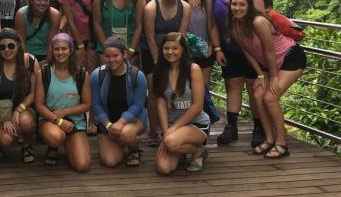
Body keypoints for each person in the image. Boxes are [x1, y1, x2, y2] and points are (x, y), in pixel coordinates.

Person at [229, 0, 306, 159]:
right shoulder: (234, 24)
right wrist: (260, 75)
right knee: (257, 95)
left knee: (270, 98)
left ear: (249, 6)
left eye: (242, 5)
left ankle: (281, 143)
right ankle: (269, 138)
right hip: (268, 65)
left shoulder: (258, 22)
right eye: (234, 4)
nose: (237, 8)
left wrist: (272, 77)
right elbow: (247, 50)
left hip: (290, 58)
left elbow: (269, 50)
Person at [207, 0, 266, 148]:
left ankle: (259, 126)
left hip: (251, 48)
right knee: (232, 85)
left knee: (252, 86)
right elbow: (212, 24)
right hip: (228, 49)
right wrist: (217, 48)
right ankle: (231, 126)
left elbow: (261, 19)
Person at [142, 0, 191, 146]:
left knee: (176, 91)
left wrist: (175, 59)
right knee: (155, 92)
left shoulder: (184, 6)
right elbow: (149, 36)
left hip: (175, 52)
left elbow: (182, 35)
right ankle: (153, 130)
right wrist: (158, 62)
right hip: (153, 52)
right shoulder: (151, 7)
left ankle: (171, 128)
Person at [151, 32, 210, 175]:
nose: (170, 52)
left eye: (175, 48)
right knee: (163, 168)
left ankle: (198, 151)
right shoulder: (160, 70)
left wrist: (171, 132)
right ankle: (180, 148)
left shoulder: (193, 69)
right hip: (172, 127)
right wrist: (166, 131)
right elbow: (161, 102)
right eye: (166, 48)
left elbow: (197, 106)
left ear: (183, 49)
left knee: (171, 142)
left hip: (196, 124)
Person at [35, 33, 91, 172]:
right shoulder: (43, 73)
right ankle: (54, 145)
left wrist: (65, 112)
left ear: (71, 50)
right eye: (56, 49)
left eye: (64, 49)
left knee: (82, 166)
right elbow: (39, 105)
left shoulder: (81, 73)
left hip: (74, 121)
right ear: (52, 51)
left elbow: (87, 104)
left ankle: (68, 142)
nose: (60, 52)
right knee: (56, 137)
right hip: (50, 119)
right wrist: (59, 121)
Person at [91, 37, 148, 167]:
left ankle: (133, 148)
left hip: (133, 119)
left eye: (116, 55)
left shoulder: (137, 76)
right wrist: (108, 125)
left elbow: (138, 105)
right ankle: (119, 141)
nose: (111, 60)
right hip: (107, 121)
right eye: (108, 56)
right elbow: (96, 104)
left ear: (124, 54)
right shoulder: (97, 75)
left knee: (126, 134)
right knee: (110, 161)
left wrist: (121, 122)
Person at [0, 29, 39, 163]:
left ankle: (27, 144)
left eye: (11, 46)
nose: (7, 50)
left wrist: (18, 109)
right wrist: (4, 118)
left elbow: (35, 92)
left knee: (26, 122)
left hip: (23, 106)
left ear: (18, 45)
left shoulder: (30, 61)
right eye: (2, 47)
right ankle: (0, 143)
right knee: (6, 140)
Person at [59, 0, 100, 79]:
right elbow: (70, 20)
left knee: (92, 73)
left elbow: (98, 21)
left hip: (94, 37)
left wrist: (92, 45)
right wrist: (81, 46)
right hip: (76, 38)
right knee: (78, 72)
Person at [180, 0, 215, 85]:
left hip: (206, 49)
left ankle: (204, 104)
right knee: (187, 85)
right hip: (185, 50)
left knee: (204, 85)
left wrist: (212, 45)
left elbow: (213, 23)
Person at [15, 0, 61, 64]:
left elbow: (51, 43)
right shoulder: (21, 14)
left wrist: (47, 63)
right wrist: (26, 62)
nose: (42, 3)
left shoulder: (55, 15)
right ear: (31, 1)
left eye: (46, 0)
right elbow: (21, 41)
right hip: (27, 53)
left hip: (45, 54)